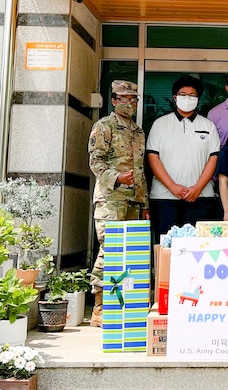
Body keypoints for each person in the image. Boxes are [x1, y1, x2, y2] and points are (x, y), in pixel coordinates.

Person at [88, 80, 150, 328]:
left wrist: (144, 204)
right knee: (110, 251)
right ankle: (100, 308)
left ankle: (123, 306)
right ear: (114, 100)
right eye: (124, 98)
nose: (129, 103)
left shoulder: (138, 131)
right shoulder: (104, 126)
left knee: (129, 255)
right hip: (110, 200)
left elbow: (140, 171)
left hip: (134, 202)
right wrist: (116, 178)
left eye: (133, 98)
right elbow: (95, 161)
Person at [146, 75, 220, 241]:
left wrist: (197, 188)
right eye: (183, 94)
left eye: (192, 95)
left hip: (201, 198)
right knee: (165, 249)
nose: (187, 98)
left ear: (198, 99)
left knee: (198, 250)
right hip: (165, 198)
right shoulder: (160, 124)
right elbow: (153, 158)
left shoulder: (208, 126)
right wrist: (172, 186)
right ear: (175, 98)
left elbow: (213, 159)